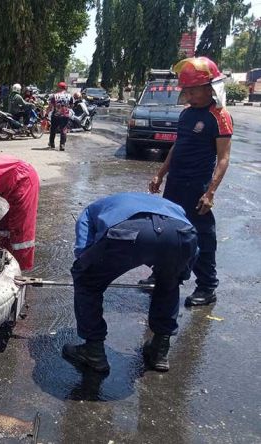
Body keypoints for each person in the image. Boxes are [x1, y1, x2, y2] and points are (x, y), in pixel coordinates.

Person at [62, 192, 198, 373]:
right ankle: (159, 350)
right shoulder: (173, 207)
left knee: (86, 281)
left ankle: (93, 351)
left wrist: (89, 266)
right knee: (169, 284)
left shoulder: (92, 209)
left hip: (129, 232)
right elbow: (190, 247)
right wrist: (179, 274)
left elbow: (82, 250)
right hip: (181, 234)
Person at [144, 57, 232, 307]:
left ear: (209, 88)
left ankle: (206, 287)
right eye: (187, 90)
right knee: (165, 231)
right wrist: (160, 174)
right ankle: (160, 275)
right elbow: (177, 147)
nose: (188, 94)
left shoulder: (220, 116)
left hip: (198, 187)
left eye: (192, 89)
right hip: (175, 184)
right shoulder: (186, 115)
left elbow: (224, 158)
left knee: (203, 237)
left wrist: (211, 192)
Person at [47, 81, 73, 151]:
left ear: (59, 88)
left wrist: (46, 113)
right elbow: (71, 106)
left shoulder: (54, 96)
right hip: (65, 115)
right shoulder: (69, 96)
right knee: (63, 130)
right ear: (65, 88)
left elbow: (50, 106)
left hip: (56, 115)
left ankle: (52, 144)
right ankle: (62, 145)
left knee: (53, 129)